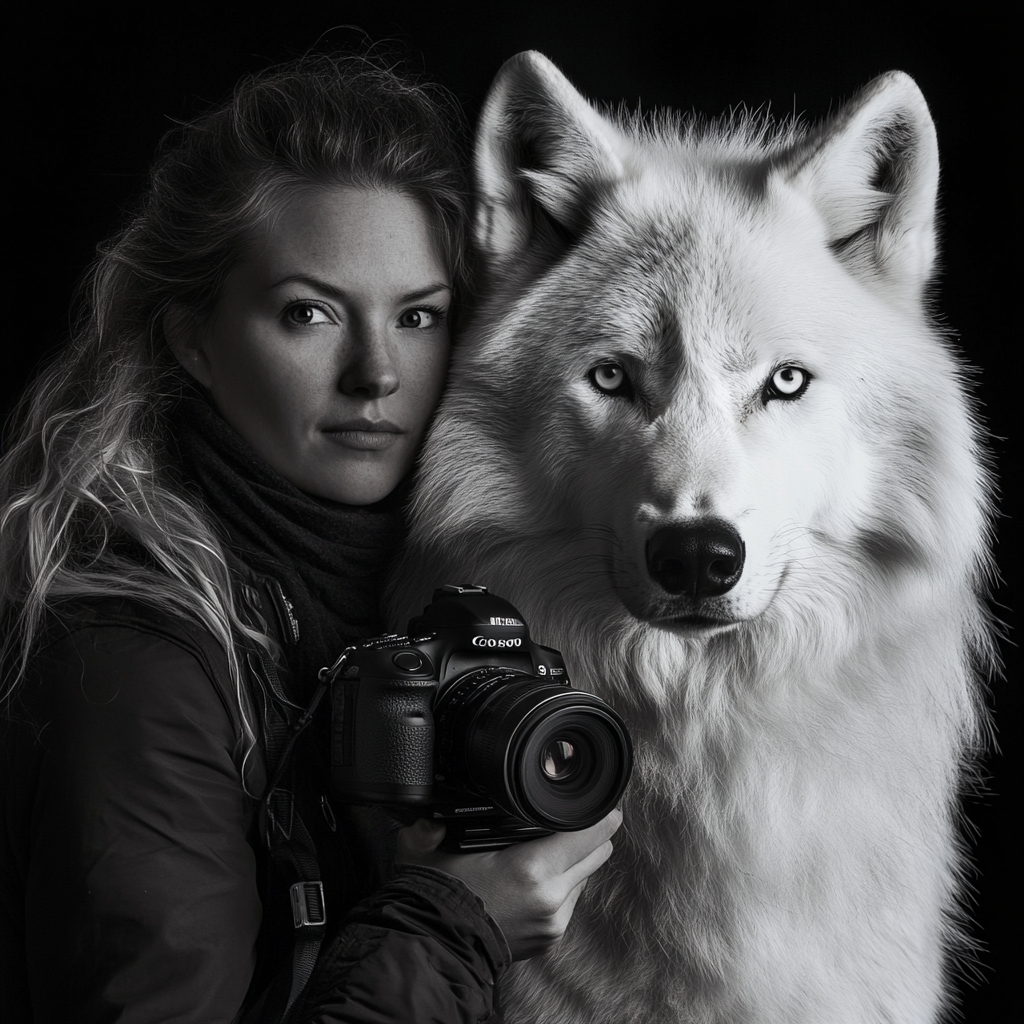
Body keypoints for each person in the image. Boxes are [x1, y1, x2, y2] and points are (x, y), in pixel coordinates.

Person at [0, 54, 622, 1023]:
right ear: (193, 341)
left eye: (418, 316)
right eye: (310, 314)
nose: (376, 372)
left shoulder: (427, 605)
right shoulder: (138, 664)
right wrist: (449, 922)